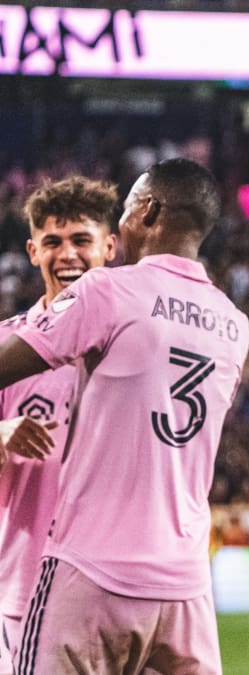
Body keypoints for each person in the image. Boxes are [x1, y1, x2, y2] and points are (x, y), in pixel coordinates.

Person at [0, 158, 249, 674]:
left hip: (91, 570)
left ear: (147, 210)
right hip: (185, 585)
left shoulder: (109, 293)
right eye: (52, 242)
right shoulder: (234, 323)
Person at [0, 176, 118, 675]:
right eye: (53, 242)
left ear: (110, 247)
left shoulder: (135, 348)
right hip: (26, 590)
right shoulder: (8, 348)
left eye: (81, 240)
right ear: (32, 251)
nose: (67, 254)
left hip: (118, 590)